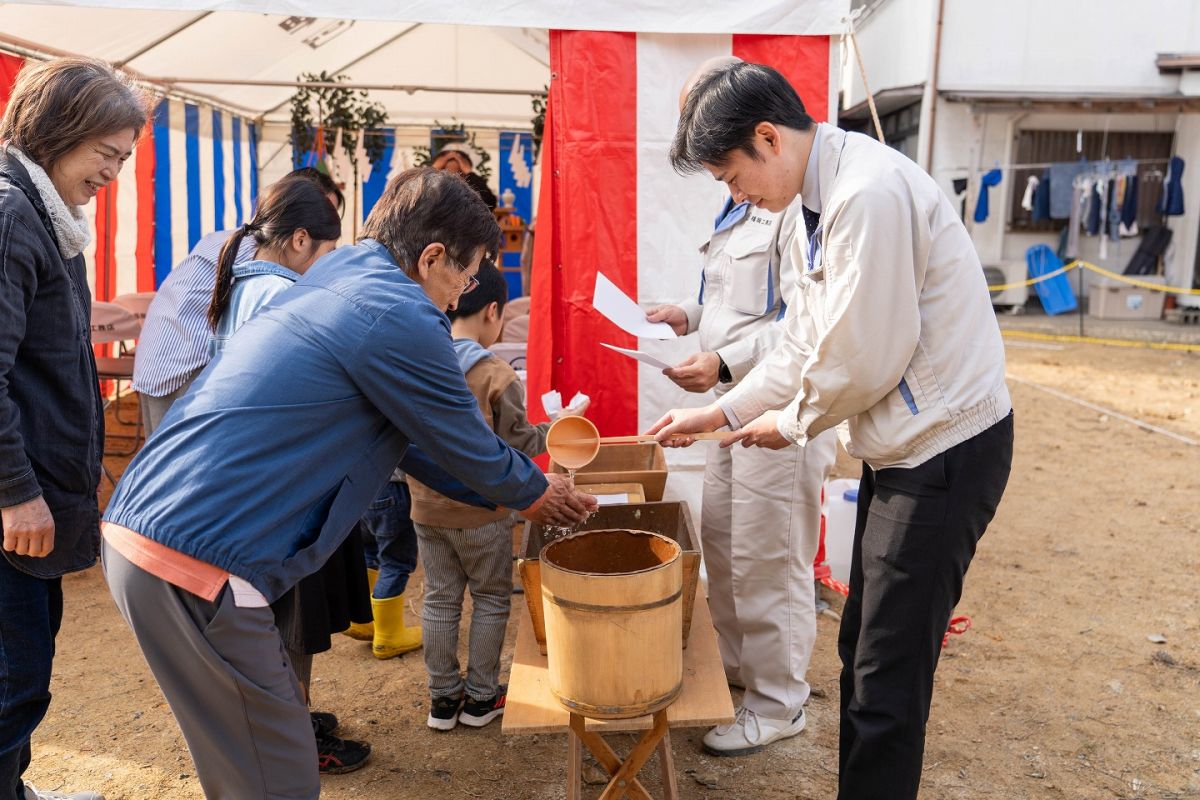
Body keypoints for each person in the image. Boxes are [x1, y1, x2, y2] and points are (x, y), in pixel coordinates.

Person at [101, 166, 596, 800]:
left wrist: (509, 492)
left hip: (160, 532)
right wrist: (536, 493)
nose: (461, 294)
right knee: (276, 777)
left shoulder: (341, 275)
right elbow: (460, 436)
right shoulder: (400, 312)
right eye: (464, 276)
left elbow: (418, 444)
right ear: (432, 257)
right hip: (198, 557)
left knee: (249, 767)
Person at [652, 61, 1014, 799]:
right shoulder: (807, 206)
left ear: (767, 137)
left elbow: (861, 353)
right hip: (902, 449)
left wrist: (787, 424)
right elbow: (799, 342)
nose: (734, 193)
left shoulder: (866, 194)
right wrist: (723, 411)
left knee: (887, 669)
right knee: (862, 649)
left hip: (945, 449)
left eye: (728, 175)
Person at [0, 56, 147, 800]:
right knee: (12, 676)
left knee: (24, 667)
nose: (113, 174)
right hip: (12, 509)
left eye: (123, 160)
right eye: (108, 155)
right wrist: (17, 491)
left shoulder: (43, 217)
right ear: (61, 130)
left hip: (33, 500)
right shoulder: (9, 215)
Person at [645, 186, 836, 755]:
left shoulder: (797, 205)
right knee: (726, 542)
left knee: (769, 557)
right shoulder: (740, 202)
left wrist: (725, 360)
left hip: (776, 406)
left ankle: (780, 703)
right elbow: (743, 307)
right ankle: (741, 668)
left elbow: (808, 321)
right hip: (733, 399)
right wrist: (692, 316)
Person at [206, 175, 375, 774]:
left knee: (275, 618)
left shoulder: (241, 284)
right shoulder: (282, 293)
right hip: (282, 489)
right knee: (289, 623)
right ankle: (292, 738)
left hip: (250, 482)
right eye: (328, 253)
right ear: (301, 239)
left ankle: (290, 721)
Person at [406, 260, 550, 731]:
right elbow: (521, 442)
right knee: (490, 598)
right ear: (493, 312)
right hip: (483, 511)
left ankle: (442, 700)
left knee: (440, 599)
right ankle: (482, 698)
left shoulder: (423, 357)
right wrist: (558, 427)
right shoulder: (495, 373)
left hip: (426, 506)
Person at [132, 167, 344, 437]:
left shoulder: (243, 248)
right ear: (299, 234)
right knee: (178, 462)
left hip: (168, 359)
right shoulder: (265, 275)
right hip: (179, 362)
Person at [431, 143, 497, 209]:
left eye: (458, 175)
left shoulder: (469, 197)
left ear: (467, 177)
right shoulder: (432, 192)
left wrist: (469, 173)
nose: (452, 180)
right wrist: (432, 170)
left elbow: (489, 203)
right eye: (446, 174)